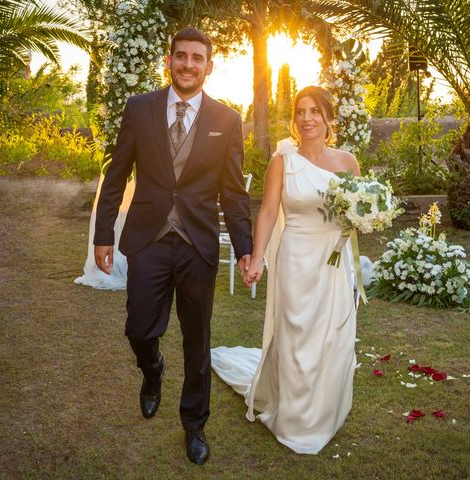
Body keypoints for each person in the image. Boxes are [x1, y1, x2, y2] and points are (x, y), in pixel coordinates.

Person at [93, 28, 253, 465]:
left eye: (196, 58)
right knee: (139, 328)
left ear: (208, 66)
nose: (187, 64)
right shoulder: (139, 108)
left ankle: (195, 425)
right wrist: (103, 233)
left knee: (197, 340)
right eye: (180, 56)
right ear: (169, 61)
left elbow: (235, 194)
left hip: (198, 244)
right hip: (148, 238)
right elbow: (117, 172)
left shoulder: (227, 120)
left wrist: (245, 248)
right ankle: (152, 369)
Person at [211, 86, 361, 454]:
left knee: (333, 338)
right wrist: (257, 256)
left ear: (329, 118)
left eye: (314, 111)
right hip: (296, 258)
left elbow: (358, 210)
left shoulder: (348, 162)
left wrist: (367, 217)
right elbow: (266, 212)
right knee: (297, 338)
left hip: (335, 259)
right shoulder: (283, 160)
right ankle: (295, 420)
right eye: (300, 111)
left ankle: (324, 414)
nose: (306, 118)